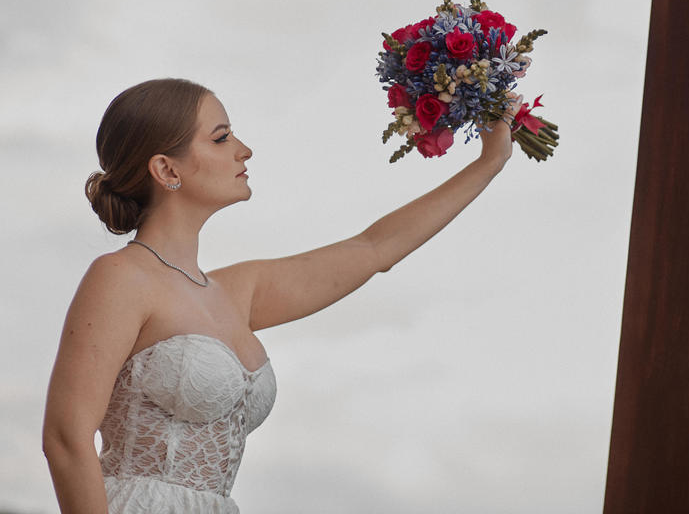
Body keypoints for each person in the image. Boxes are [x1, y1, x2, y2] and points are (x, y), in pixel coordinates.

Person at [42, 78, 513, 513]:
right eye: (221, 138)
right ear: (166, 169)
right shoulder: (120, 277)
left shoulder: (237, 292)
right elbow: (66, 439)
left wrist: (489, 162)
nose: (244, 150)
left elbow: (375, 249)